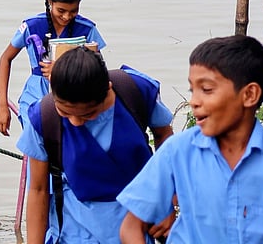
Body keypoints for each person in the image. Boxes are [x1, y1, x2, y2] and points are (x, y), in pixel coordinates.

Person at [119, 35, 263, 244]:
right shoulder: (176, 151)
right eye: (192, 90)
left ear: (250, 95)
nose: (194, 101)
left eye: (206, 90)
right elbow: (131, 226)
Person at [18, 46, 174, 243]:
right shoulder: (44, 117)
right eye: (65, 112)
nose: (75, 122)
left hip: (138, 220)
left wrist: (166, 200)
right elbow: (38, 189)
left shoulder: (135, 91)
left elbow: (164, 136)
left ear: (108, 89)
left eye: (88, 114)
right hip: (76, 229)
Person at [0, 0, 107, 134]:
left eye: (73, 11)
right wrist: (2, 105)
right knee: (36, 141)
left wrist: (63, 70)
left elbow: (100, 69)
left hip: (75, 95)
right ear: (49, 1)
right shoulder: (31, 26)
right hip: (36, 94)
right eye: (61, 10)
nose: (67, 17)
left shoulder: (87, 29)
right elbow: (6, 58)